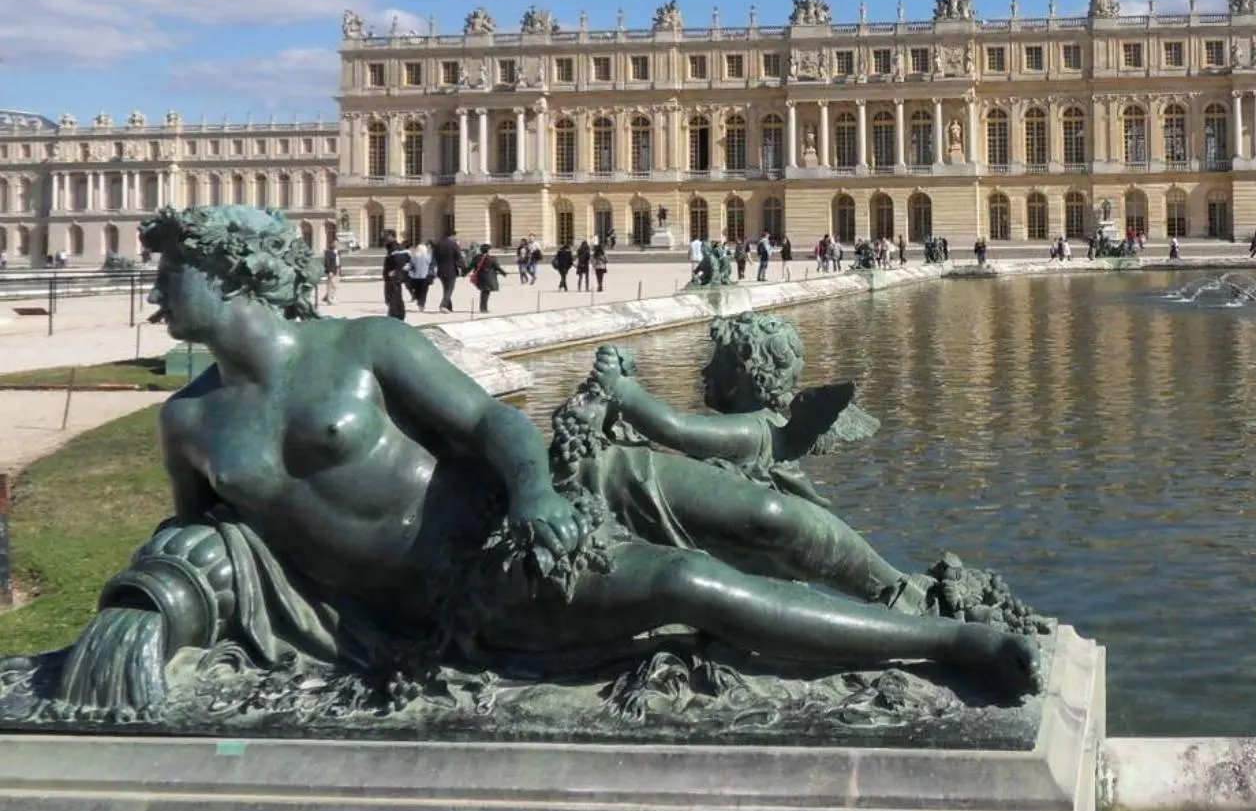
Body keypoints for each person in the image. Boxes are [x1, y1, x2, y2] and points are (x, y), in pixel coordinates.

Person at [72, 205, 1038, 721]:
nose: (154, 289)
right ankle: (954, 650)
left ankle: (908, 594)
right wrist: (143, 602)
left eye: (170, 271)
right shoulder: (189, 424)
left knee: (769, 519)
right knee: (692, 584)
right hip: (471, 583)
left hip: (539, 496)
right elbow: (203, 537)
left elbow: (495, 426)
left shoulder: (364, 346)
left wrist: (536, 491)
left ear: (233, 274)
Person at [433, 231, 465, 313]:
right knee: (450, 288)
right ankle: (443, 305)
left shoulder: (437, 244)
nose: (456, 238)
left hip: (440, 269)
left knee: (446, 288)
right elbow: (459, 257)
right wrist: (463, 268)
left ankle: (448, 307)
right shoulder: (453, 244)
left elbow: (434, 257)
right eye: (455, 236)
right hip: (450, 269)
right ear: (452, 235)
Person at [380, 232, 410, 319]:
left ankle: (396, 315)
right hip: (393, 277)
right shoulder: (392, 248)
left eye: (387, 237)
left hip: (393, 278)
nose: (385, 240)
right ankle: (397, 314)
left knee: (393, 297)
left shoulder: (396, 248)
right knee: (395, 296)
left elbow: (403, 261)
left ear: (392, 237)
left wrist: (396, 271)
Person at [471, 242, 504, 313]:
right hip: (488, 278)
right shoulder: (492, 258)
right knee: (486, 293)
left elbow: (471, 266)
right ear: (488, 250)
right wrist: (504, 273)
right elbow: (497, 267)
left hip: (480, 277)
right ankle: (483, 308)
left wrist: (464, 272)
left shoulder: (476, 257)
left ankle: (483, 308)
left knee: (483, 292)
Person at [406, 240, 434, 310]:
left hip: (415, 277)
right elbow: (431, 266)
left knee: (417, 290)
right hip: (425, 276)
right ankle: (421, 304)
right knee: (424, 291)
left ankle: (419, 300)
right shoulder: (428, 257)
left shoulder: (413, 257)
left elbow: (411, 266)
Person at [321, 240, 341, 305]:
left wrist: (339, 270)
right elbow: (327, 262)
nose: (337, 245)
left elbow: (338, 262)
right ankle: (330, 298)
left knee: (336, 285)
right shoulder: (328, 252)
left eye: (337, 243)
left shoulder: (338, 252)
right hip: (331, 271)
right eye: (335, 243)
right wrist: (329, 271)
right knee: (331, 285)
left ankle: (328, 297)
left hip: (337, 269)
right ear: (332, 244)